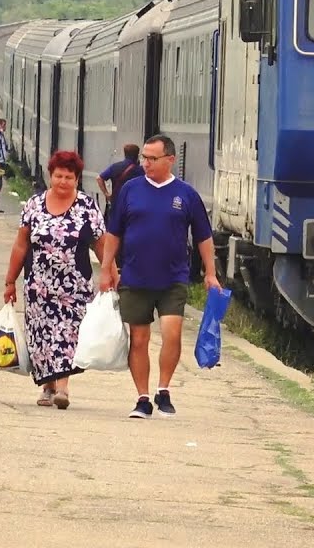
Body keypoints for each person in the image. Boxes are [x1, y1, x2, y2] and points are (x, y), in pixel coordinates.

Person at [98, 133, 220, 419]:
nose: (147, 164)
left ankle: (163, 389)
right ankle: (142, 397)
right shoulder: (130, 190)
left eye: (153, 159)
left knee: (171, 333)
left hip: (173, 277)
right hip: (135, 276)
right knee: (139, 340)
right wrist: (106, 268)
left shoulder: (186, 194)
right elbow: (113, 232)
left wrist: (210, 273)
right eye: (144, 158)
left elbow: (204, 237)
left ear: (170, 160)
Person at [4, 151, 106, 409]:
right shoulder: (34, 205)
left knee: (67, 335)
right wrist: (10, 280)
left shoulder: (87, 207)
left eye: (68, 177)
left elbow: (102, 243)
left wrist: (110, 271)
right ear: (50, 176)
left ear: (77, 179)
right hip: (39, 285)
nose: (63, 181)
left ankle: (62, 387)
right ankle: (47, 386)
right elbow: (21, 245)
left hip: (75, 285)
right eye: (58, 176)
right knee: (42, 339)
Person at [96, 143, 140, 221]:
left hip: (117, 204)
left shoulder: (115, 167)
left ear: (125, 154)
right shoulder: (141, 170)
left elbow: (99, 178)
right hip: (134, 205)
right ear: (137, 154)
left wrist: (106, 194)